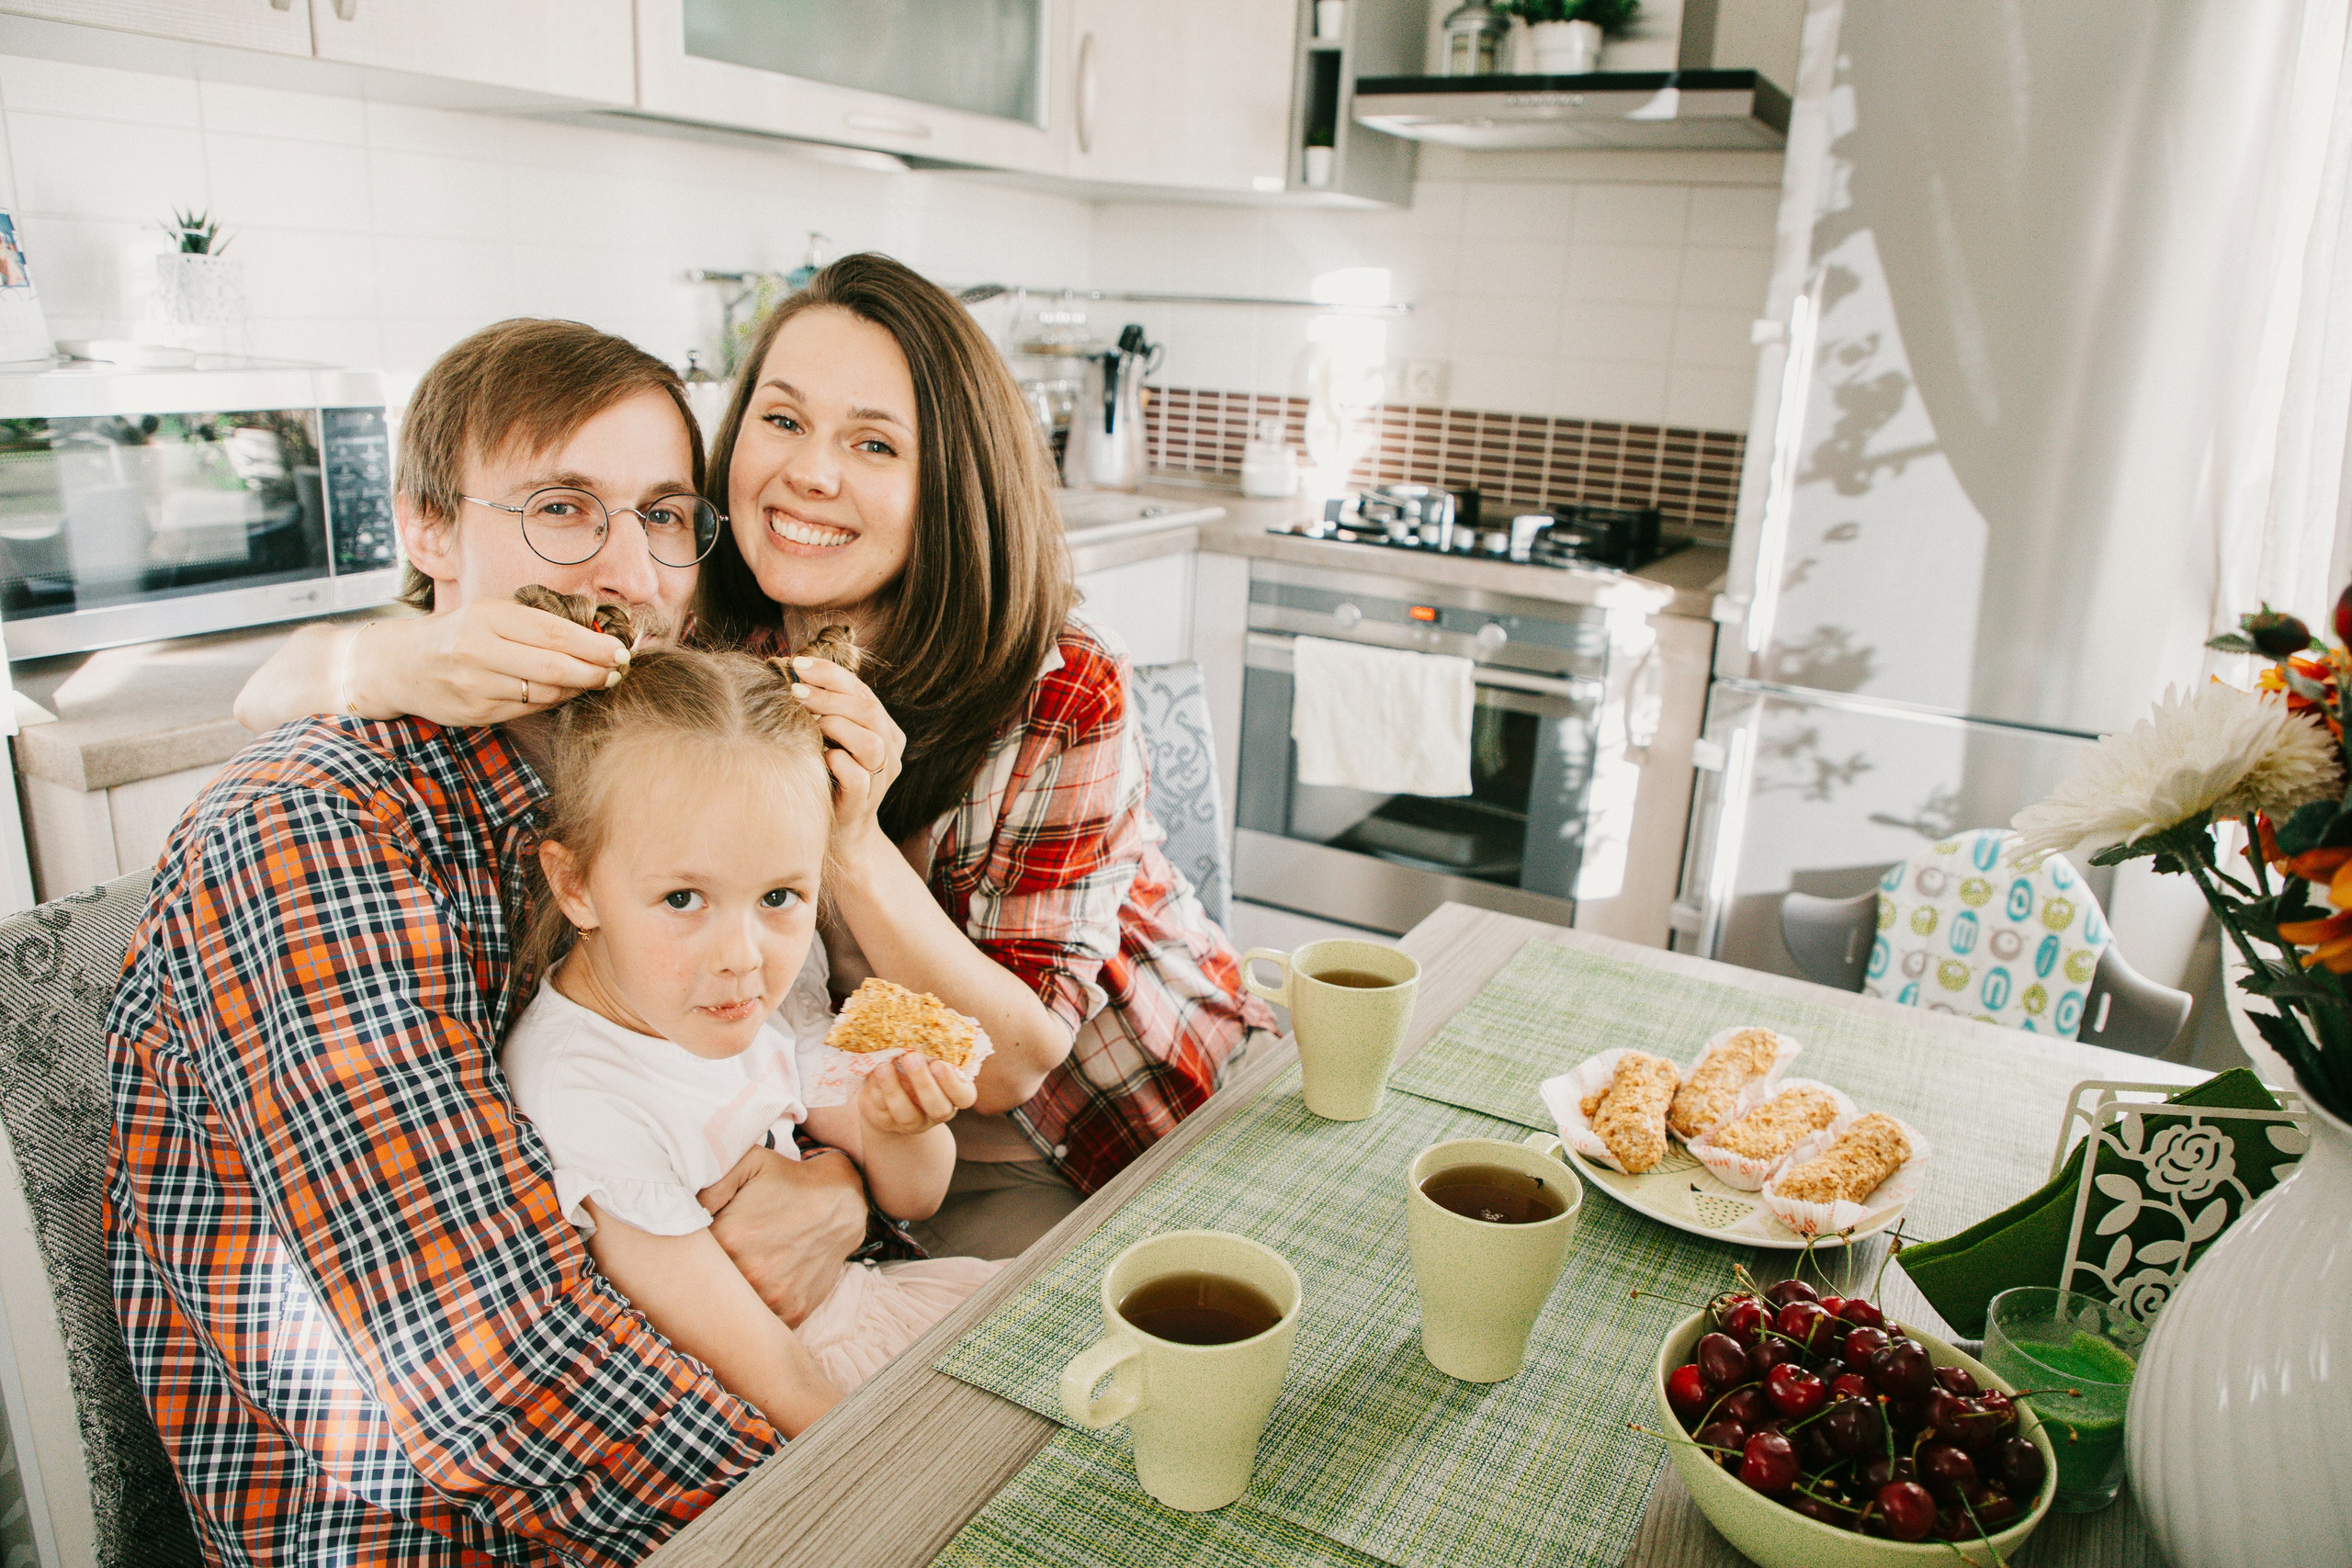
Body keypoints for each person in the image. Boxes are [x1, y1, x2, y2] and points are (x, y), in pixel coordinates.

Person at [238, 253, 1279, 1258]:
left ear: (949, 482)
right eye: (780, 420)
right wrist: (398, 651)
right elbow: (271, 691)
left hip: (1126, 1106)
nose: (809, 473)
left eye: (874, 445)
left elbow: (1014, 1065)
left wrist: (855, 843)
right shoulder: (696, 639)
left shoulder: (1055, 682)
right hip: (870, 1131)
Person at [111, 320, 869, 1564]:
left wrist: (839, 1185)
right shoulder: (315, 825)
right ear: (426, 526)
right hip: (430, 1525)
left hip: (718, 1382)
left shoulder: (639, 777)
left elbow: (769, 1070)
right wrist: (863, 1491)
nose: (630, 571)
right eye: (564, 507)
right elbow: (490, 1371)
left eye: (665, 516)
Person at [498, 615, 996, 1434]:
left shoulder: (752, 998)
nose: (742, 956)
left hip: (873, 1308)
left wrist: (903, 1120)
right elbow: (772, 1380)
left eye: (779, 897)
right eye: (682, 899)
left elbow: (917, 1191)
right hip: (806, 1396)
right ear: (577, 884)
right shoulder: (582, 1089)